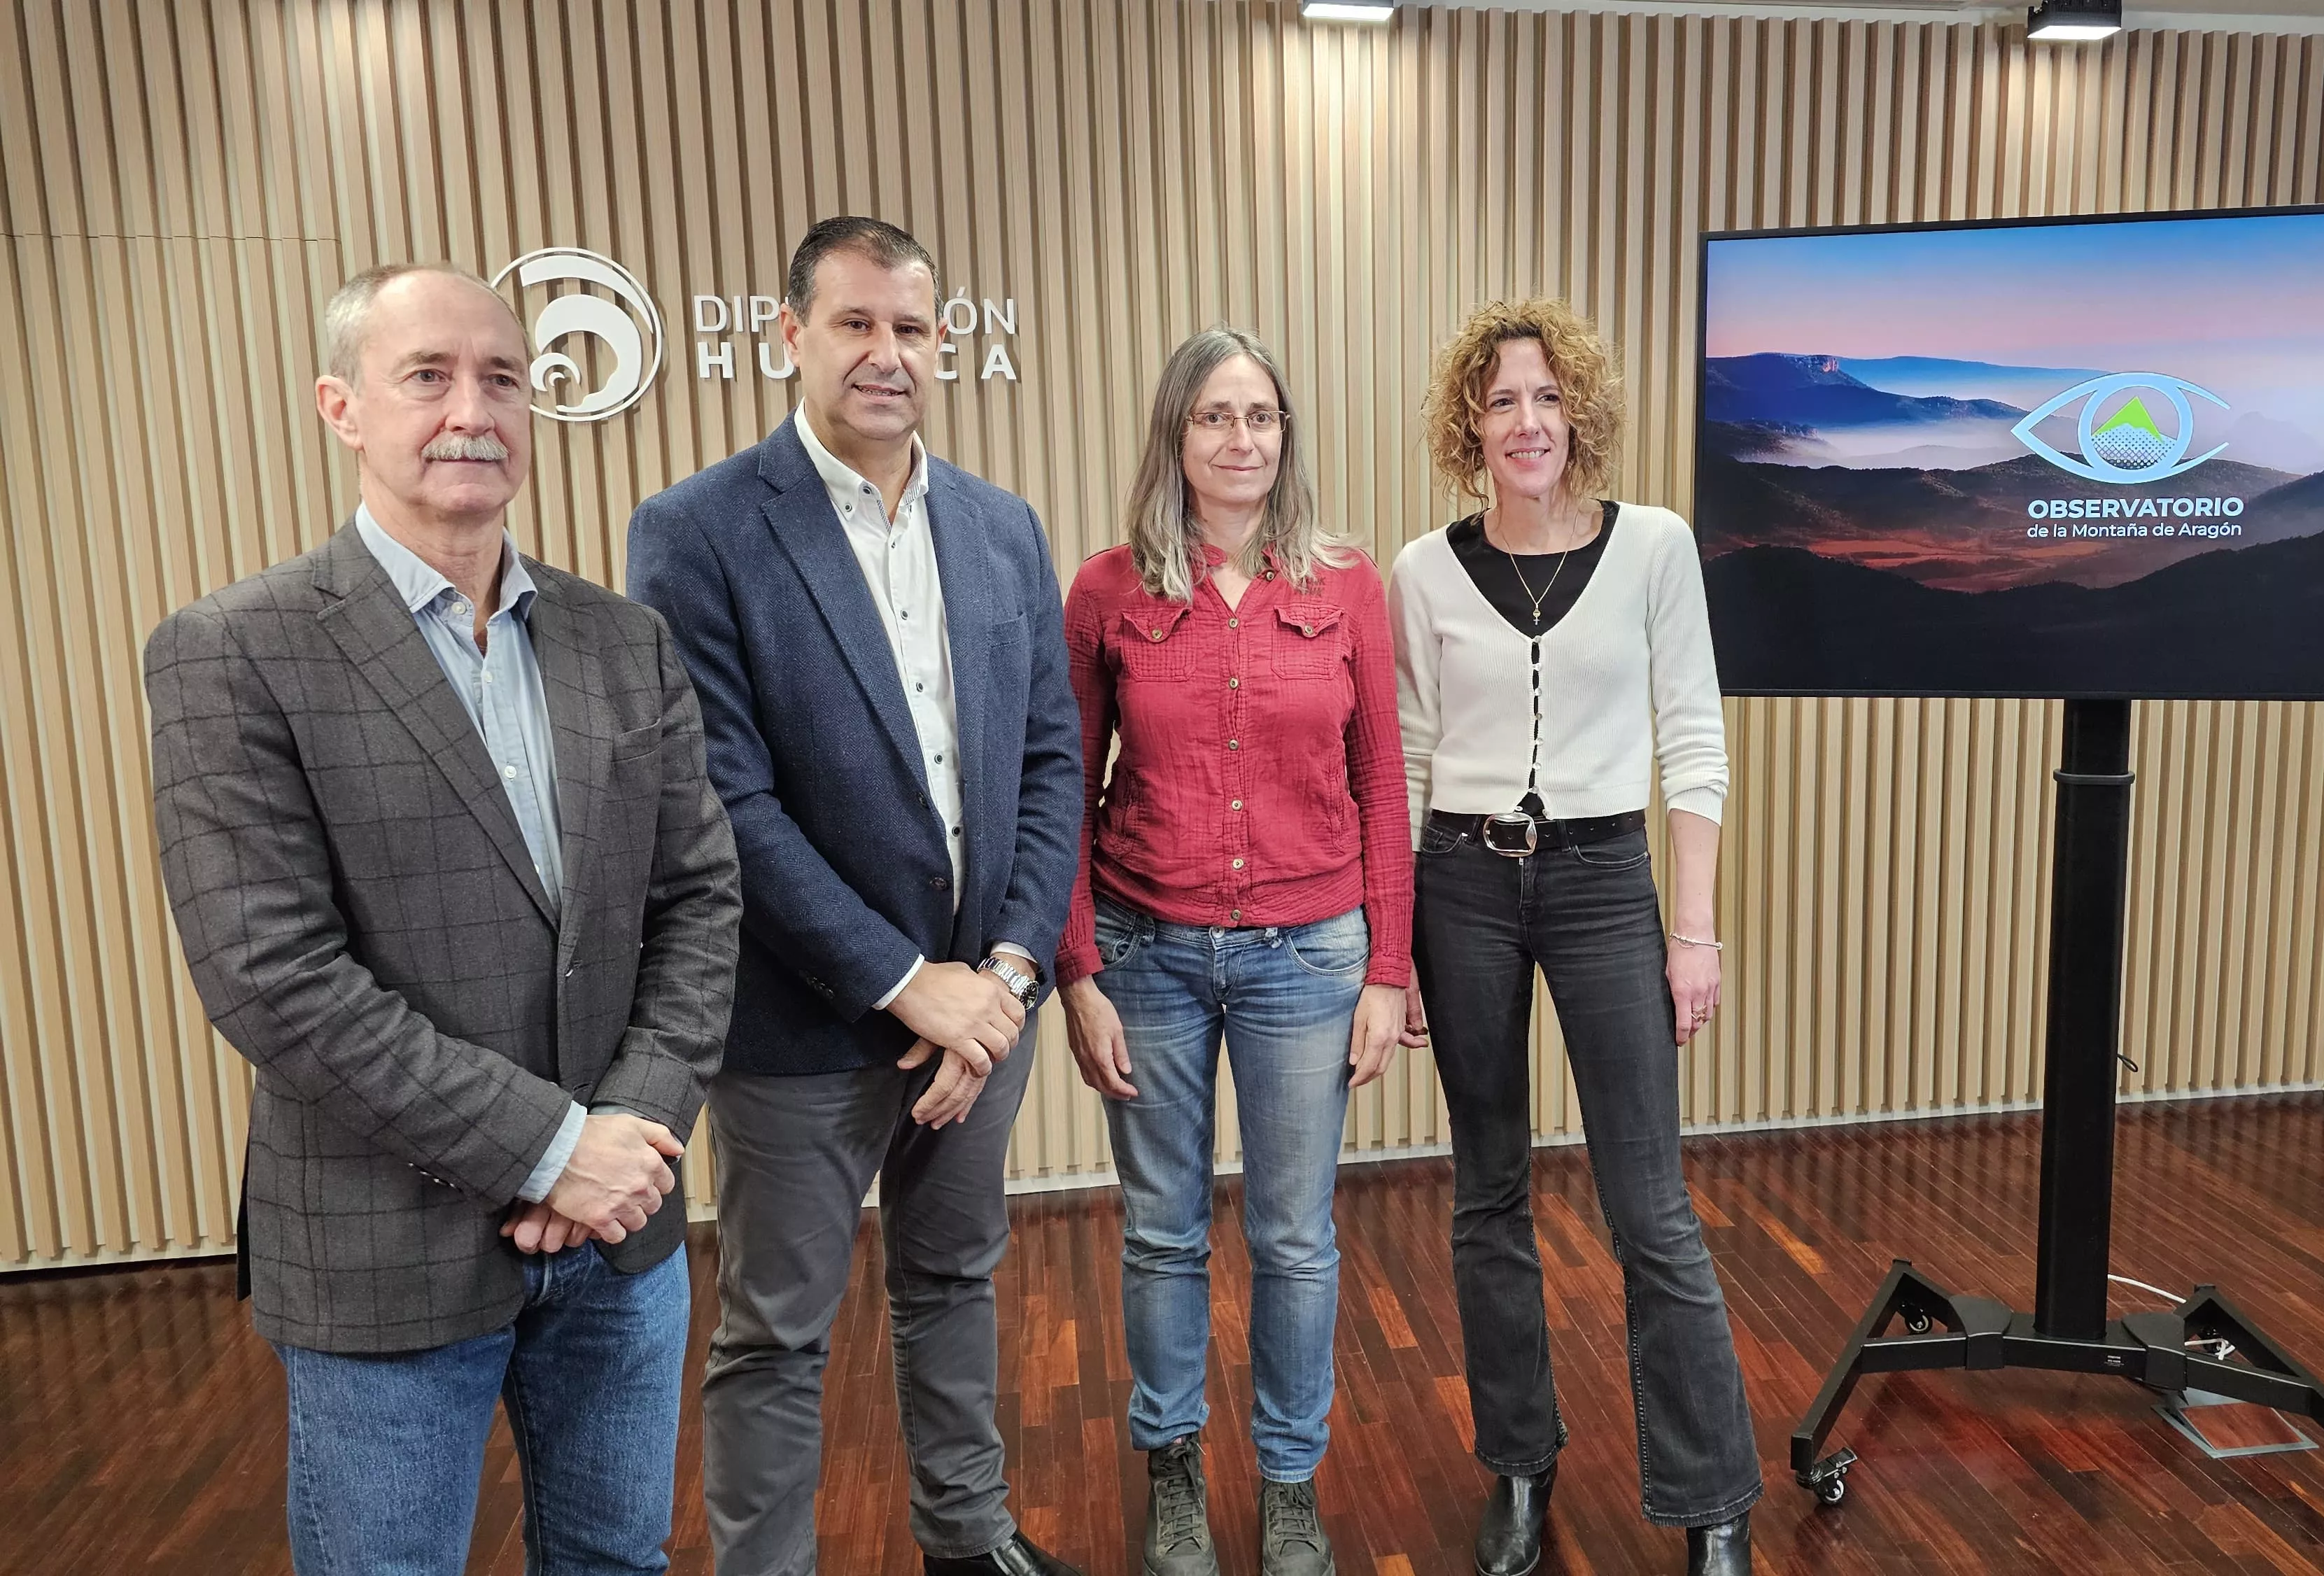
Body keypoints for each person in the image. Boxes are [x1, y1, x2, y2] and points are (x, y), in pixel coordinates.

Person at [141, 262, 742, 1576]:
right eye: (429, 376)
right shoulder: (233, 651)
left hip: (618, 1241)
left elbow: (700, 899)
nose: (472, 408)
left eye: (503, 378)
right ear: (341, 407)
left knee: (617, 1562)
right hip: (384, 1249)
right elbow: (272, 978)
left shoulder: (622, 641)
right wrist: (546, 1150)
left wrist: (625, 1137)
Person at [628, 218, 1085, 1576]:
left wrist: (1001, 979)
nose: (888, 353)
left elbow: (1050, 760)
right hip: (799, 1029)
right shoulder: (698, 530)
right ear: (789, 335)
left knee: (954, 1283)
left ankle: (966, 1537)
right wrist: (906, 982)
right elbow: (723, 802)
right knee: (775, 1329)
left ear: (943, 343)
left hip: (979, 1019)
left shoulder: (1000, 529)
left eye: (911, 328)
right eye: (855, 323)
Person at [1390, 298, 1761, 1576]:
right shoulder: (1420, 571)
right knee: (1488, 1191)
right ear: (1470, 426)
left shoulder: (1656, 548)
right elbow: (1410, 759)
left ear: (1580, 414)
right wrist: (1400, 949)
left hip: (1609, 880)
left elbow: (1696, 744)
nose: (1527, 421)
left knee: (1648, 1205)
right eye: (1501, 401)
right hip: (1463, 885)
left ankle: (1714, 1493)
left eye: (1547, 398)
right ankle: (1518, 1466)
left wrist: (1694, 930)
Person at [1057, 328, 1413, 1576]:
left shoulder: (1345, 587)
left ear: (1285, 437)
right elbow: (1065, 789)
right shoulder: (1109, 591)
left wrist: (1388, 970)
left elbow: (1383, 784)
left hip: (1309, 958)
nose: (1241, 439)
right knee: (1160, 1231)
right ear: (1177, 435)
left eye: (1261, 416)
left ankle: (1290, 1483)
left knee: (1296, 1234)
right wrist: (1077, 972)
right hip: (1147, 950)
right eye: (1215, 416)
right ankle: (1171, 1473)